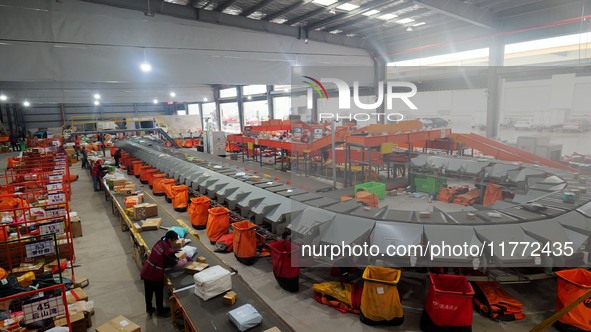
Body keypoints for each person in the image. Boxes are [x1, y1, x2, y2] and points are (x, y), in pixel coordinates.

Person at [140, 231, 188, 317]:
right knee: (158, 293)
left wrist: (173, 252)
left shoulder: (160, 242)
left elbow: (163, 254)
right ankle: (160, 311)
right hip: (155, 274)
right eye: (174, 240)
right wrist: (185, 260)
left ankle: (149, 308)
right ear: (169, 239)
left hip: (147, 270)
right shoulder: (167, 250)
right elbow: (175, 263)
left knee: (148, 292)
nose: (175, 242)